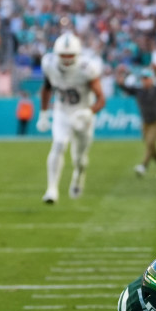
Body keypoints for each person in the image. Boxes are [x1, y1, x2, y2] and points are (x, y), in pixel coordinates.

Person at [37, 32, 106, 203]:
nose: (67, 59)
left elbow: (101, 99)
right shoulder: (49, 64)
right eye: (63, 55)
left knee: (80, 158)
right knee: (58, 144)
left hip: (82, 112)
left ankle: (78, 175)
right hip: (61, 110)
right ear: (56, 54)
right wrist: (43, 113)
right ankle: (52, 188)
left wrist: (89, 112)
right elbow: (46, 88)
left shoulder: (87, 68)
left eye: (70, 55)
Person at [116, 65, 156, 176]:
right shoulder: (138, 90)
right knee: (151, 147)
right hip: (145, 122)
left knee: (150, 143)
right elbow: (126, 88)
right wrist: (120, 81)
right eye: (143, 78)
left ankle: (143, 166)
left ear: (151, 79)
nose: (144, 81)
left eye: (146, 78)